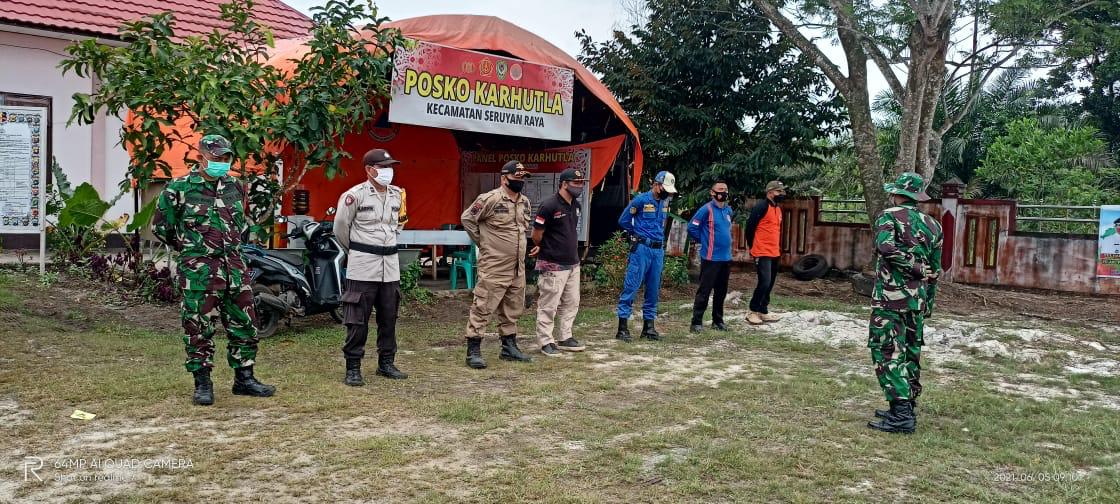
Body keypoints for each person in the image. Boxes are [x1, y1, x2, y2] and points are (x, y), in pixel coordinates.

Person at [152, 134, 275, 406]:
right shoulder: (179, 189)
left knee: (245, 324)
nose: (222, 162)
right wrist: (192, 249)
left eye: (226, 158)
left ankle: (244, 378)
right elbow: (161, 227)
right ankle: (203, 384)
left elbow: (242, 224)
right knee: (198, 328)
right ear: (201, 157)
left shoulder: (235, 187)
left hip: (234, 269)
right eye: (217, 157)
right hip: (200, 273)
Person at [866, 172, 943, 434]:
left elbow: (885, 248)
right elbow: (935, 270)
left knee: (887, 350)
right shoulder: (933, 225)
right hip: (917, 301)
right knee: (910, 351)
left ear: (897, 193)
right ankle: (906, 405)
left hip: (890, 298)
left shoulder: (888, 216)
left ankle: (901, 414)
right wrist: (928, 302)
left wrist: (912, 268)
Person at [333, 148, 410, 385]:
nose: (388, 172)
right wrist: (358, 250)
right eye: (383, 167)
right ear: (369, 169)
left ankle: (386, 363)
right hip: (363, 265)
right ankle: (353, 367)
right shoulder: (354, 195)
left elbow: (399, 224)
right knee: (357, 319)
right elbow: (340, 228)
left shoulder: (398, 194)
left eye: (390, 167)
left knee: (389, 317)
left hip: (390, 265)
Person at [460, 160, 535, 368]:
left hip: (517, 267)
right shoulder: (490, 199)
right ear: (504, 179)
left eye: (522, 178)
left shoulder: (525, 202)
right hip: (494, 265)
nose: (519, 181)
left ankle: (509, 347)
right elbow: (467, 219)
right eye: (515, 177)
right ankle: (473, 349)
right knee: (483, 306)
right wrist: (483, 243)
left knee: (512, 307)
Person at [614, 170, 678, 342]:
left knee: (653, 288)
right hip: (641, 248)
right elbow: (624, 220)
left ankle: (648, 328)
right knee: (632, 285)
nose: (667, 192)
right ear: (656, 184)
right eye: (664, 188)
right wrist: (635, 234)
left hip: (658, 250)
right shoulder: (641, 200)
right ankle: (622, 328)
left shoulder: (665, 202)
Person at [531, 168, 588, 356]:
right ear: (564, 183)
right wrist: (545, 246)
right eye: (576, 183)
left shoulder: (576, 205)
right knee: (549, 304)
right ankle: (545, 341)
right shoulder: (549, 205)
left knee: (572, 302)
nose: (580, 186)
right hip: (552, 264)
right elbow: (536, 235)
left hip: (572, 263)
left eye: (581, 183)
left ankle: (565, 336)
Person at [688, 181, 734, 333]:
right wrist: (704, 240)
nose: (724, 192)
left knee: (721, 292)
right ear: (712, 192)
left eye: (726, 190)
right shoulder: (705, 209)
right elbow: (692, 227)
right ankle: (696, 322)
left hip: (725, 258)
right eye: (720, 190)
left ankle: (718, 320)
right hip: (710, 258)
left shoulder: (728, 210)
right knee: (705, 291)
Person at [743, 180, 786, 325]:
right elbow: (749, 228)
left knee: (771, 282)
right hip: (762, 251)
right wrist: (752, 247)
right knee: (764, 281)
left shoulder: (778, 209)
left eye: (782, 191)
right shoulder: (761, 207)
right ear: (770, 192)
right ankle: (752, 311)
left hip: (774, 251)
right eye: (778, 191)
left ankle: (763, 310)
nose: (781, 194)